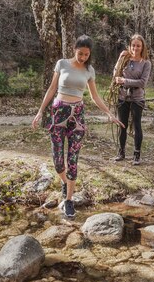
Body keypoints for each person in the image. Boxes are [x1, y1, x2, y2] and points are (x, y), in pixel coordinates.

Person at [32, 35, 124, 218]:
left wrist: (109, 113)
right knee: (58, 160)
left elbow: (95, 96)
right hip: (58, 113)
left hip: (77, 116)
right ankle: (65, 182)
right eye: (80, 53)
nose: (83, 57)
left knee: (72, 159)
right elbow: (51, 89)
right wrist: (41, 111)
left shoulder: (89, 70)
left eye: (86, 55)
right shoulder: (62, 64)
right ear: (74, 49)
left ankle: (68, 200)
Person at [112, 34, 151, 165]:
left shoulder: (146, 63)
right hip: (122, 96)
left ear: (142, 47)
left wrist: (125, 81)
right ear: (130, 46)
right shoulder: (125, 59)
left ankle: (137, 154)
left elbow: (142, 83)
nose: (135, 48)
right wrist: (120, 58)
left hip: (137, 98)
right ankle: (121, 152)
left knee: (137, 125)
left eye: (138, 45)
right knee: (122, 124)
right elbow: (115, 74)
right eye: (133, 45)